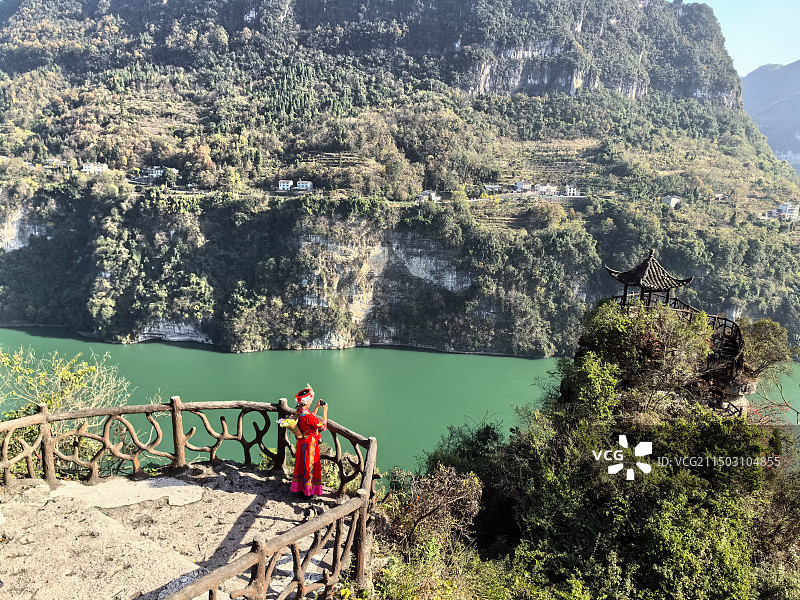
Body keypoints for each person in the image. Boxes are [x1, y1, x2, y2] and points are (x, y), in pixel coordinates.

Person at [290, 386, 328, 497]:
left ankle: (300, 488)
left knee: (302, 463)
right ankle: (308, 492)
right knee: (309, 465)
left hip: (302, 441)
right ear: (307, 402)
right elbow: (322, 426)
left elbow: (310, 418)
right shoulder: (308, 416)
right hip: (310, 444)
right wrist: (325, 411)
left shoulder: (300, 411)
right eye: (311, 399)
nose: (312, 401)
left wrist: (316, 407)